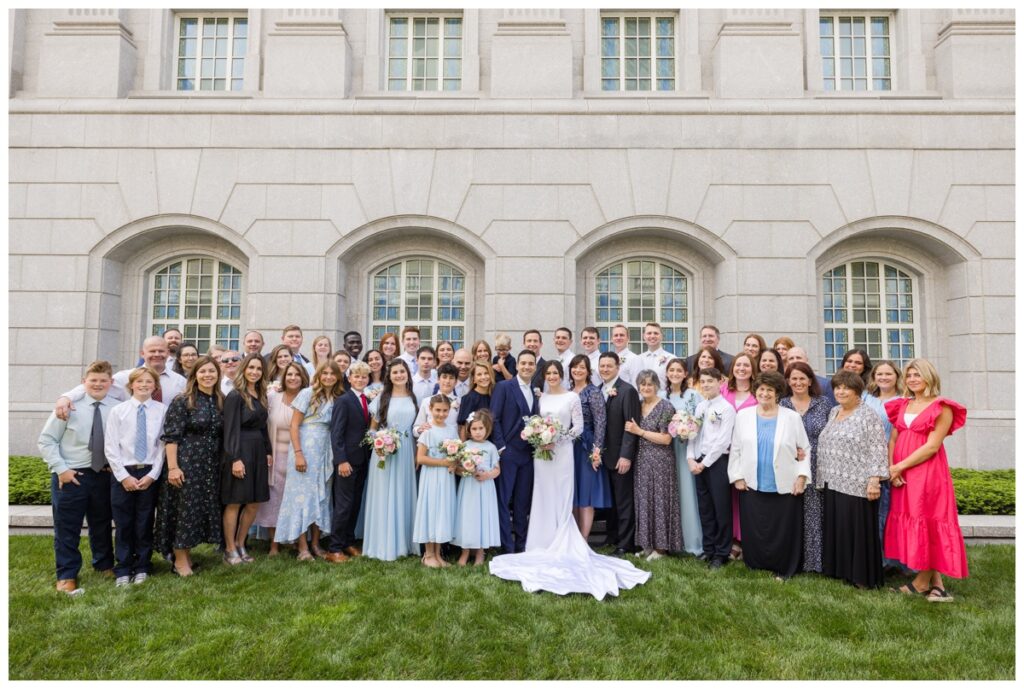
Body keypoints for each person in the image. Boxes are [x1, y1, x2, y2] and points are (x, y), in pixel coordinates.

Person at [489, 360, 651, 600]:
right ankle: (540, 541)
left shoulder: (571, 398)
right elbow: (533, 422)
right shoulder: (540, 398)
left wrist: (557, 438)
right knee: (542, 495)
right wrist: (539, 437)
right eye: (549, 373)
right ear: (544, 376)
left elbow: (579, 427)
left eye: (556, 373)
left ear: (561, 375)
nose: (552, 376)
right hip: (541, 456)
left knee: (563, 495)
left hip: (563, 453)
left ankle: (564, 539)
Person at [884, 358, 968, 602]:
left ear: (929, 377)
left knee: (929, 520)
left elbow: (932, 446)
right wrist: (894, 468)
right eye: (909, 375)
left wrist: (900, 466)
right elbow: (894, 439)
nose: (912, 379)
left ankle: (923, 583)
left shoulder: (942, 407)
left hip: (927, 472)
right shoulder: (902, 404)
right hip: (903, 472)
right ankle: (934, 585)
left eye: (917, 375)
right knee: (917, 520)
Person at [38, 360, 118, 594]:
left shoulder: (116, 407)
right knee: (67, 527)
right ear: (84, 382)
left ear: (111, 383)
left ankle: (104, 564)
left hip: (103, 475)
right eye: (93, 380)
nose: (98, 384)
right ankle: (67, 574)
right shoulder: (67, 407)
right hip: (72, 475)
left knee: (102, 524)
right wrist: (61, 469)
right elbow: (47, 440)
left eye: (103, 381)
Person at [729, 371, 811, 580]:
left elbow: (805, 449)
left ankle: (785, 567)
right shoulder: (743, 416)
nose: (764, 393)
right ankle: (757, 563)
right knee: (756, 527)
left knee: (782, 529)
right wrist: (737, 476)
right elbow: (736, 448)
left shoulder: (791, 418)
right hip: (752, 483)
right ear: (756, 391)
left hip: (785, 483)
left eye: (770, 390)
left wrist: (801, 477)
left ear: (777, 394)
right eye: (761, 389)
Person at [817, 370, 889, 589]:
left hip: (858, 483)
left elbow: (878, 449)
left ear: (857, 391)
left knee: (858, 531)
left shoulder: (868, 415)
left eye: (846, 387)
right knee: (839, 528)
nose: (841, 391)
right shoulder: (834, 411)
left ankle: (862, 576)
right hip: (833, 480)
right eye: (837, 387)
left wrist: (874, 480)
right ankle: (841, 570)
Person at [154, 356, 225, 577]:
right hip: (186, 462)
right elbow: (171, 437)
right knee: (183, 510)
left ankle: (186, 553)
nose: (208, 375)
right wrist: (174, 468)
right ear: (194, 375)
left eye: (212, 371)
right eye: (203, 372)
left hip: (210, 465)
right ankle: (179, 558)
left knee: (197, 510)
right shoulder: (183, 400)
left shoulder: (220, 399)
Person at [104, 367, 166, 586]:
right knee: (123, 522)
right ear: (131, 385)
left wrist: (153, 474)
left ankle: (142, 566)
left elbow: (163, 446)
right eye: (139, 382)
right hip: (124, 472)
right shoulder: (118, 411)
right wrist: (123, 476)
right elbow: (111, 446)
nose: (144, 385)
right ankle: (123, 568)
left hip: (149, 471)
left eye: (149, 382)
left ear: (155, 386)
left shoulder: (162, 410)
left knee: (144, 521)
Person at [275, 361, 344, 561]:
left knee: (320, 497)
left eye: (333, 373)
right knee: (302, 497)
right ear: (319, 375)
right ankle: (302, 547)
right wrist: (298, 453)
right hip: (305, 446)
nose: (329, 377)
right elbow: (294, 426)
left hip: (325, 450)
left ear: (338, 376)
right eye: (325, 373)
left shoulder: (338, 397)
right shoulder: (307, 393)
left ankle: (315, 543)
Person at [363, 359, 419, 561]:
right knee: (384, 495)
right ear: (390, 375)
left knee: (403, 493)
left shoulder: (414, 398)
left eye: (402, 372)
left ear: (407, 374)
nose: (399, 375)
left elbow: (416, 428)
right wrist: (378, 444)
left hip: (406, 451)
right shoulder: (382, 398)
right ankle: (383, 543)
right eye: (395, 372)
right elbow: (372, 428)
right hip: (384, 453)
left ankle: (403, 542)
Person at [780, 361, 833, 574]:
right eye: (794, 378)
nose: (798, 382)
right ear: (788, 381)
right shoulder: (783, 404)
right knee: (791, 510)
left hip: (819, 462)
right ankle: (794, 558)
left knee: (815, 512)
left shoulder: (824, 404)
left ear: (810, 380)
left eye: (802, 378)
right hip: (790, 463)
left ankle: (815, 561)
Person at [221, 353, 273, 565]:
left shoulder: (261, 395)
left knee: (253, 502)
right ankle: (230, 548)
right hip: (239, 450)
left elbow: (263, 427)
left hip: (258, 451)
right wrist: (235, 458)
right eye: (251, 368)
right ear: (244, 369)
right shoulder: (235, 396)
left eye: (258, 369)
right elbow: (230, 429)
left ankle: (241, 543)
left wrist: (268, 451)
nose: (254, 372)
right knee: (235, 502)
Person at [55, 336, 186, 419]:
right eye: (152, 351)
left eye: (161, 351)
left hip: (168, 441)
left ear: (168, 353)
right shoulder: (125, 377)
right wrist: (66, 397)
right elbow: (96, 386)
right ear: (142, 353)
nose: (157, 354)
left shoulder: (179, 381)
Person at [625, 369, 681, 561]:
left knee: (660, 501)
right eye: (643, 384)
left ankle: (662, 548)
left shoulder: (666, 407)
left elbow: (666, 439)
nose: (646, 387)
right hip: (641, 459)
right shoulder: (638, 406)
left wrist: (639, 431)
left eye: (650, 384)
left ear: (656, 385)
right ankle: (647, 544)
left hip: (661, 460)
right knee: (644, 500)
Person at [255, 361, 309, 556]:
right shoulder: (272, 398)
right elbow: (261, 426)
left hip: (300, 456)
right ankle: (274, 545)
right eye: (289, 375)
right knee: (274, 501)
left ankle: (302, 544)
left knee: (298, 501)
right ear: (284, 378)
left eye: (297, 374)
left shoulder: (309, 398)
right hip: (275, 456)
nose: (293, 378)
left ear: (303, 378)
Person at [489, 349, 540, 554]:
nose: (527, 366)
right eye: (523, 363)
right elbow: (494, 418)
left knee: (522, 502)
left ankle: (521, 544)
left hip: (528, 454)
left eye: (531, 363)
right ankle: (506, 546)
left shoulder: (535, 390)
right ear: (517, 365)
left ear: (535, 367)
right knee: (504, 500)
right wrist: (501, 447)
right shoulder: (504, 387)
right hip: (508, 452)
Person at [686, 367, 736, 569]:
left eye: (710, 381)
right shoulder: (700, 407)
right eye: (703, 381)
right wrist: (691, 458)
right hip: (698, 461)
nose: (706, 385)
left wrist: (704, 464)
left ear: (720, 382)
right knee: (705, 507)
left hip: (717, 463)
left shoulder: (726, 409)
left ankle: (722, 552)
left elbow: (723, 442)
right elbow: (692, 435)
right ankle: (709, 548)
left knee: (720, 508)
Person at [325, 360, 374, 563]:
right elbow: (336, 434)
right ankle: (334, 548)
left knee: (355, 503)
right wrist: (341, 460)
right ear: (349, 378)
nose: (360, 379)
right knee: (343, 504)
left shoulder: (367, 400)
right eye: (357, 376)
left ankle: (348, 541)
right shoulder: (343, 400)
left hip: (362, 459)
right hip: (347, 461)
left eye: (364, 377)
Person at [597, 351, 641, 556]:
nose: (605, 369)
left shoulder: (627, 391)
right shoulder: (598, 390)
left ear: (618, 368)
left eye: (609, 366)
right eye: (602, 366)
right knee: (611, 502)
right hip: (603, 457)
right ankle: (612, 536)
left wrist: (626, 455)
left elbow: (631, 426)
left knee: (624, 501)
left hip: (620, 457)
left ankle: (626, 543)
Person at [567, 354, 610, 540]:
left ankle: (583, 540)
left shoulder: (593, 392)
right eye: (574, 367)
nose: (577, 370)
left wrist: (596, 451)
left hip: (586, 446)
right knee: (573, 495)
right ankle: (574, 538)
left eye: (582, 367)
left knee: (586, 494)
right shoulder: (567, 392)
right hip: (568, 447)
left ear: (588, 371)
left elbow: (601, 423)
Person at [663, 357, 703, 557]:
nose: (675, 374)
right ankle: (669, 540)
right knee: (669, 494)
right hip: (665, 450)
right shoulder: (662, 395)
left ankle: (692, 541)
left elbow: (701, 421)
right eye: (672, 370)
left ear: (685, 374)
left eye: (679, 370)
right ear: (667, 373)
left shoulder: (693, 396)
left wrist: (688, 429)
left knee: (687, 493)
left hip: (687, 449)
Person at [414, 395, 459, 567]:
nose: (441, 414)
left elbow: (456, 455)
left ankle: (439, 554)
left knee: (442, 511)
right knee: (431, 509)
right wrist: (442, 462)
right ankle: (428, 554)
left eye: (445, 410)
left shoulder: (451, 430)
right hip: (431, 477)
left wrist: (454, 463)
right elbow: (420, 458)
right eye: (437, 410)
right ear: (431, 410)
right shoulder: (428, 431)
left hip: (446, 478)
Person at [453, 409, 501, 566]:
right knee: (468, 517)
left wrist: (487, 475)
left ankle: (480, 552)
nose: (478, 432)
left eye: (481, 428)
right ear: (469, 430)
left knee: (482, 517)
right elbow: (457, 468)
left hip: (485, 488)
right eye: (474, 429)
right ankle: (465, 552)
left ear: (487, 429)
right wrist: (466, 470)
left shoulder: (491, 447)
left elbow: (497, 469)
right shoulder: (465, 446)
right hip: (469, 487)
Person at [413, 363, 460, 439]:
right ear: (438, 379)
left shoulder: (460, 402)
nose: (447, 381)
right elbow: (416, 429)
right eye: (444, 377)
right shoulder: (427, 401)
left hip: (452, 445)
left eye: (451, 378)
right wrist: (419, 429)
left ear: (456, 382)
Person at [457, 361, 494, 440]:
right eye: (479, 374)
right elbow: (463, 426)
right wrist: (463, 449)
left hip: (493, 443)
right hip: (474, 446)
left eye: (486, 373)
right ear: (474, 379)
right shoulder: (469, 398)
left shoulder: (495, 396)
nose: (483, 377)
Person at [634, 322, 672, 389]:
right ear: (644, 336)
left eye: (656, 333)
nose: (652, 336)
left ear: (661, 336)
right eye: (649, 333)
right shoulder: (637, 359)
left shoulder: (670, 359)